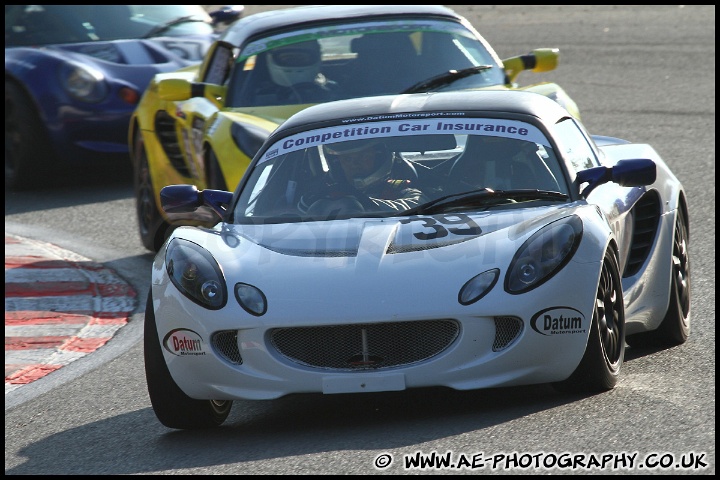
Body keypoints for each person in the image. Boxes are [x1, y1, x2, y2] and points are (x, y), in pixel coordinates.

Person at [300, 138, 426, 214]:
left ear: (379, 158)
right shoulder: (322, 194)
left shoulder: (399, 189)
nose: (355, 164)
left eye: (363, 156)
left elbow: (420, 205)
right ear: (338, 164)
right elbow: (292, 214)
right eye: (347, 159)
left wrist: (365, 202)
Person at [263, 40, 343, 104]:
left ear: (317, 57)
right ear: (270, 59)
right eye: (288, 58)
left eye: (301, 58)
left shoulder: (331, 89)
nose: (294, 62)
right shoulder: (255, 94)